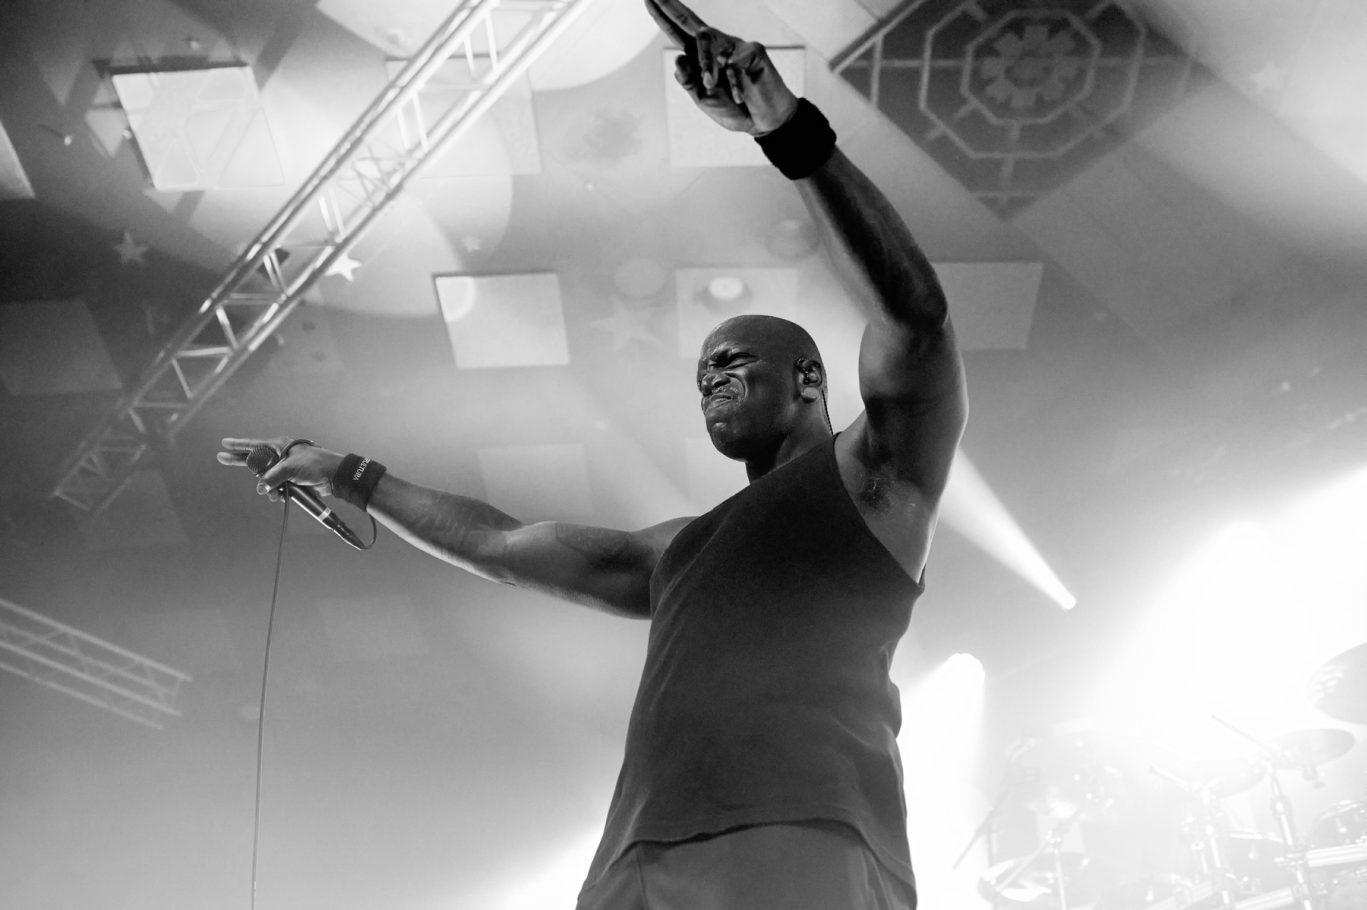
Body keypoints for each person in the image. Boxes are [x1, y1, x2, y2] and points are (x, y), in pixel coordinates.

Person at [219, 1, 967, 906]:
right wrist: (351, 476)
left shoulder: (870, 479)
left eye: (731, 363)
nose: (710, 387)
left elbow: (916, 319)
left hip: (801, 828)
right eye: (699, 379)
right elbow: (500, 547)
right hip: (634, 860)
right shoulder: (673, 548)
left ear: (808, 377)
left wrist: (787, 130)